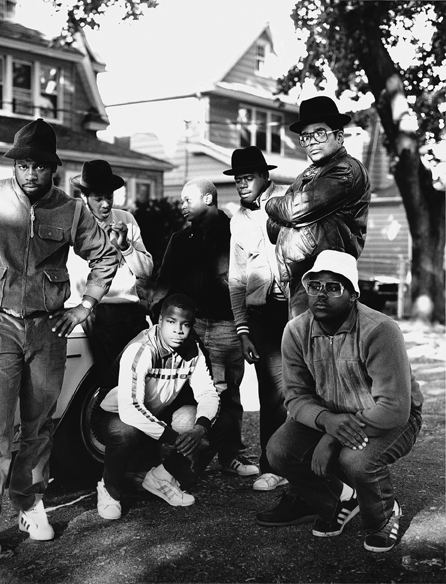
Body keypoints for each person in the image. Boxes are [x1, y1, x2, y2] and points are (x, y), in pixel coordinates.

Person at [0, 119, 119, 556]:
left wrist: (84, 306)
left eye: (39, 166)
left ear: (54, 169)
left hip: (49, 326)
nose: (30, 173)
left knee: (39, 422)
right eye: (24, 164)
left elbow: (105, 257)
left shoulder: (72, 210)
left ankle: (30, 501)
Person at [256, 250, 423, 553]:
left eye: (333, 287)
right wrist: (326, 421)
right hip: (331, 414)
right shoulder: (296, 331)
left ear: (353, 295)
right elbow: (295, 396)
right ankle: (341, 501)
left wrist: (332, 437)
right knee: (279, 450)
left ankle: (385, 517)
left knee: (355, 460)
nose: (321, 294)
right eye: (314, 286)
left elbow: (395, 408)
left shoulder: (380, 330)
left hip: (391, 418)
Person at [151, 178, 259, 478]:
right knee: (193, 392)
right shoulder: (179, 240)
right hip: (193, 326)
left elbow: (249, 279)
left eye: (188, 199)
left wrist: (246, 325)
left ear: (209, 199)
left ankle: (230, 455)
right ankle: (189, 456)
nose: (182, 205)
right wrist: (155, 313)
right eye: (181, 200)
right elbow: (165, 282)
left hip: (228, 325)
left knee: (229, 393)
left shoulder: (236, 233)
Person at [95, 293, 224, 520]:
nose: (178, 330)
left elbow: (207, 393)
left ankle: (164, 477)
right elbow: (130, 408)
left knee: (217, 422)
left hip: (156, 413)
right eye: (171, 322)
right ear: (160, 321)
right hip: (117, 415)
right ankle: (109, 489)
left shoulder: (193, 349)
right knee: (125, 432)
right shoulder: (141, 348)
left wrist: (198, 430)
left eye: (185, 324)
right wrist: (175, 438)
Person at [265, 95, 371, 318]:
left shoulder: (345, 170)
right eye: (305, 137)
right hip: (301, 280)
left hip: (328, 282)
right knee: (300, 346)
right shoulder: (306, 175)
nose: (311, 141)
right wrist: (289, 214)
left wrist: (271, 203)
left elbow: (293, 210)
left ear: (339, 136)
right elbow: (272, 230)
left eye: (320, 133)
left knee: (322, 347)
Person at [224, 147, 290, 491]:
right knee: (272, 391)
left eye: (248, 178)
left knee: (308, 388)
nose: (242, 185)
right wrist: (243, 331)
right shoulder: (238, 220)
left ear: (266, 176)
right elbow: (236, 281)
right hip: (262, 317)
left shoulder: (290, 203)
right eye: (237, 180)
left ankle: (318, 464)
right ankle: (273, 466)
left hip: (298, 311)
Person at [68, 159, 153, 379]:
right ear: (84, 198)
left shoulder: (127, 220)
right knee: (117, 381)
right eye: (98, 198)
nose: (105, 204)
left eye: (109, 197)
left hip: (132, 312)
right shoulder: (74, 226)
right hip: (99, 311)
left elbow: (146, 271)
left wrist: (125, 246)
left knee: (142, 377)